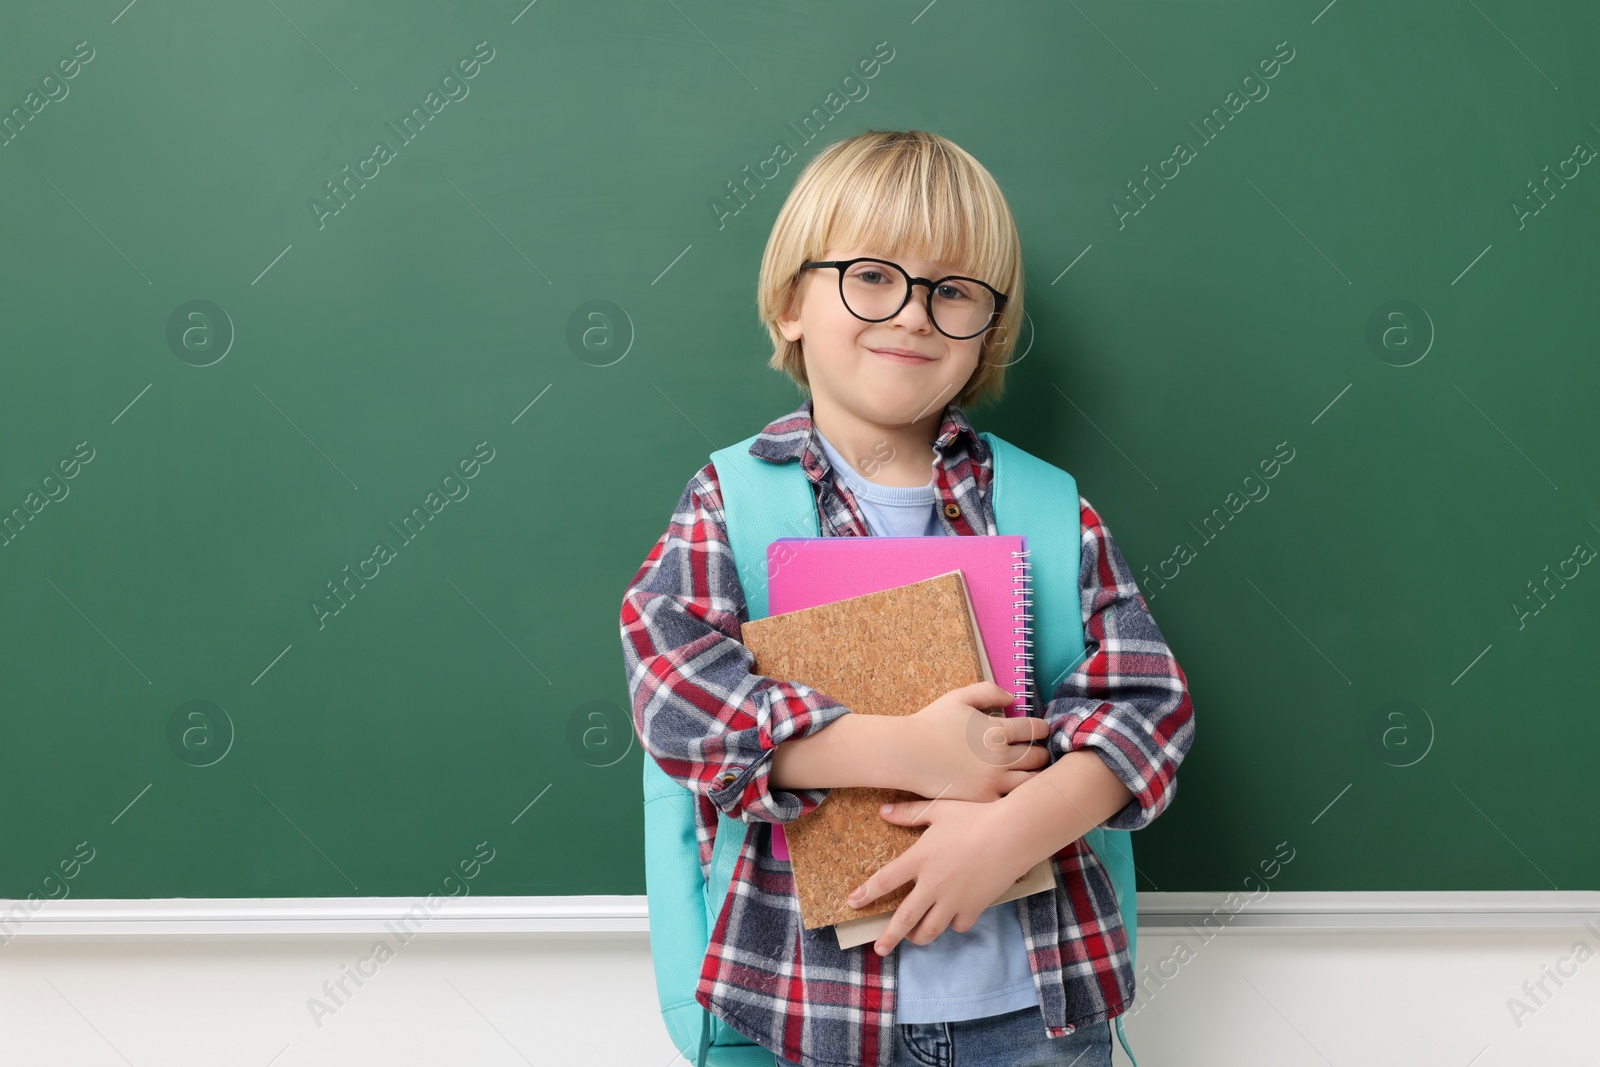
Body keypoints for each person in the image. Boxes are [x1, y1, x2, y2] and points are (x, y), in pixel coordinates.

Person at [619, 129, 1194, 1067]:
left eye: (953, 290)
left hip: (1037, 1013)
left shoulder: (1046, 506)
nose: (915, 315)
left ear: (987, 330)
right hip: (803, 1017)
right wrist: (910, 751)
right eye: (873, 276)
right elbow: (675, 697)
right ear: (792, 302)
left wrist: (1007, 834)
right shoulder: (732, 501)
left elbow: (1146, 714)